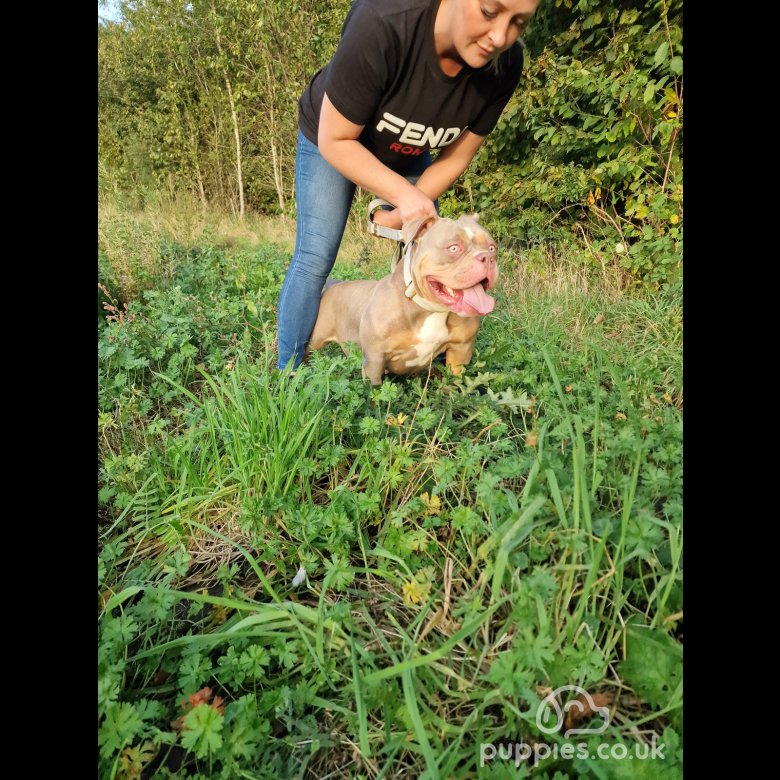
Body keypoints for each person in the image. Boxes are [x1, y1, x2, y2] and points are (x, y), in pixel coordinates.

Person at [276, 0, 540, 371]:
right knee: (315, 256)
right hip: (334, 138)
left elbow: (456, 157)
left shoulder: (506, 64)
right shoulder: (383, 21)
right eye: (488, 11)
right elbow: (336, 140)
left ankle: (409, 354)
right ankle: (287, 374)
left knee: (425, 256)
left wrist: (410, 208)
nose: (500, 37)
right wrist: (403, 196)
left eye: (519, 23)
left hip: (407, 146)